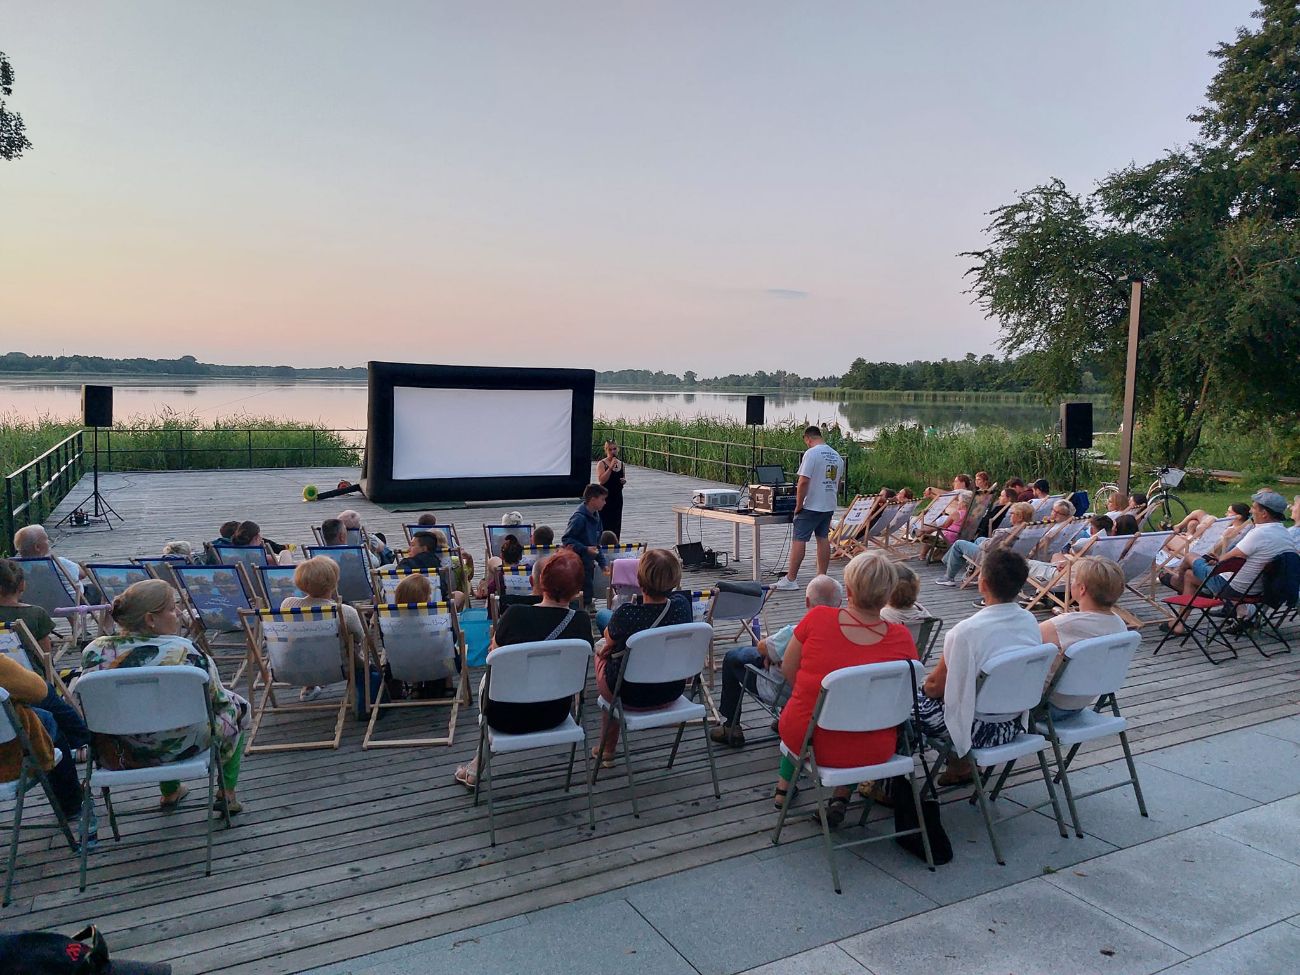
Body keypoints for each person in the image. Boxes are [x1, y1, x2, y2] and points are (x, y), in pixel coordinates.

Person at [79, 580, 250, 815]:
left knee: (151, 715)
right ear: (150, 619)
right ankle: (227, 794)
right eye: (172, 608)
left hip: (119, 750)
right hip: (181, 745)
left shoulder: (94, 652)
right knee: (238, 708)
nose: (179, 613)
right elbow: (217, 701)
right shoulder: (187, 653)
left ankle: (171, 792)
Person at [773, 552, 918, 825]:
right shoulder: (903, 639)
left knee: (803, 712)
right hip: (874, 747)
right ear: (888, 594)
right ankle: (841, 798)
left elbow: (789, 669)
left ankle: (783, 790)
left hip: (814, 742)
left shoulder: (817, 619)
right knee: (859, 714)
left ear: (848, 589)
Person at [453, 550, 594, 788]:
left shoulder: (515, 614)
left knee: (493, 680)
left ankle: (477, 765)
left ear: (540, 581)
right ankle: (476, 765)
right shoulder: (581, 622)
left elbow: (493, 659)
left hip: (504, 716)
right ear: (577, 589)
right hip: (555, 713)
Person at [915, 548, 1041, 786]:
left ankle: (888, 786)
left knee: (903, 707)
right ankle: (959, 766)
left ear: (982, 584)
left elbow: (934, 688)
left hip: (976, 730)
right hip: (1012, 724)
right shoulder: (1029, 621)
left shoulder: (966, 631)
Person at [0, 559, 93, 842]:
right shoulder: (34, 615)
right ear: (22, 586)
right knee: (49, 714)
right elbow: (43, 667)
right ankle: (73, 799)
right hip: (12, 732)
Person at [710, 574, 843, 748]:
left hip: (780, 690)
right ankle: (784, 719)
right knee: (768, 656)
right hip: (824, 696)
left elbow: (762, 647)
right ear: (840, 603)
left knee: (733, 658)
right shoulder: (847, 635)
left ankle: (731, 727)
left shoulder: (795, 632)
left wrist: (774, 656)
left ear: (807, 601)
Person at [593, 549, 692, 764]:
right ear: (675, 580)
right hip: (670, 690)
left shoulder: (627, 613)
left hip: (628, 695)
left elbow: (609, 638)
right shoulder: (682, 607)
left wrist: (607, 648)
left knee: (602, 650)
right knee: (616, 650)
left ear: (638, 579)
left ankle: (607, 750)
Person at [1162, 489, 1297, 636]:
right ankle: (1178, 624)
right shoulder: (1284, 534)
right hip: (1259, 589)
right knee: (1190, 575)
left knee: (1190, 557)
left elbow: (1226, 559)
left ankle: (1177, 582)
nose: (1251, 511)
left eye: (1254, 508)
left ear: (1264, 513)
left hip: (1234, 588)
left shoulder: (1260, 534)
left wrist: (1216, 559)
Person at [1037, 556, 1128, 721]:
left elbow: (1025, 639)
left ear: (1082, 589)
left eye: (1073, 580)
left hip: (1046, 707)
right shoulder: (1119, 625)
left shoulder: (1064, 625)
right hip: (1079, 702)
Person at [774, 426, 844, 591]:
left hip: (811, 504)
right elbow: (838, 483)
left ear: (808, 438)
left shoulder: (811, 453)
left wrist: (798, 505)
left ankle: (791, 579)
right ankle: (821, 577)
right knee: (822, 538)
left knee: (800, 539)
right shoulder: (837, 456)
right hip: (828, 504)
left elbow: (803, 481)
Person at [937, 501, 1035, 586]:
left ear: (1019, 517)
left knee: (959, 544)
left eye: (1012, 513)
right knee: (980, 539)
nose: (1010, 515)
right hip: (1009, 557)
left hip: (991, 558)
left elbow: (988, 547)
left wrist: (984, 543)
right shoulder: (1029, 532)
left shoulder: (1005, 533)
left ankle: (949, 577)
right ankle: (972, 574)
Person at [12, 524, 89, 597]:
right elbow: (83, 573)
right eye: (46, 539)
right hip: (69, 606)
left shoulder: (15, 568)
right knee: (95, 590)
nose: (49, 541)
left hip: (35, 604)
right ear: (37, 547)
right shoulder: (57, 563)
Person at [563, 484, 608, 607]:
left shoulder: (597, 516)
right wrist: (584, 549)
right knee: (580, 597)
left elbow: (596, 544)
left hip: (589, 564)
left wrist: (603, 563)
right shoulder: (579, 518)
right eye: (602, 499)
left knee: (588, 593)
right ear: (593, 500)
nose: (605, 503)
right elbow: (567, 540)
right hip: (577, 564)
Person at [595, 439, 627, 540]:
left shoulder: (621, 464)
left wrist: (623, 481)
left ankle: (615, 542)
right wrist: (610, 467)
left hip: (617, 497)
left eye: (614, 449)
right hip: (605, 497)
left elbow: (622, 479)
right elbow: (602, 480)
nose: (612, 451)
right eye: (610, 449)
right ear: (606, 450)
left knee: (616, 523)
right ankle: (603, 542)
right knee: (605, 522)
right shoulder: (602, 463)